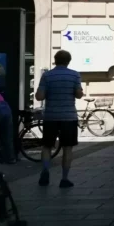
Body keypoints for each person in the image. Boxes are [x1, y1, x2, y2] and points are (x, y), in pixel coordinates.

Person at [35, 50, 84, 188]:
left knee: (47, 146)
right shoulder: (74, 75)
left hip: (51, 116)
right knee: (67, 148)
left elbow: (39, 97)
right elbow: (79, 95)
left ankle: (45, 170)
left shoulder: (47, 75)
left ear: (55, 60)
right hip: (68, 116)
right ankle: (64, 178)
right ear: (68, 61)